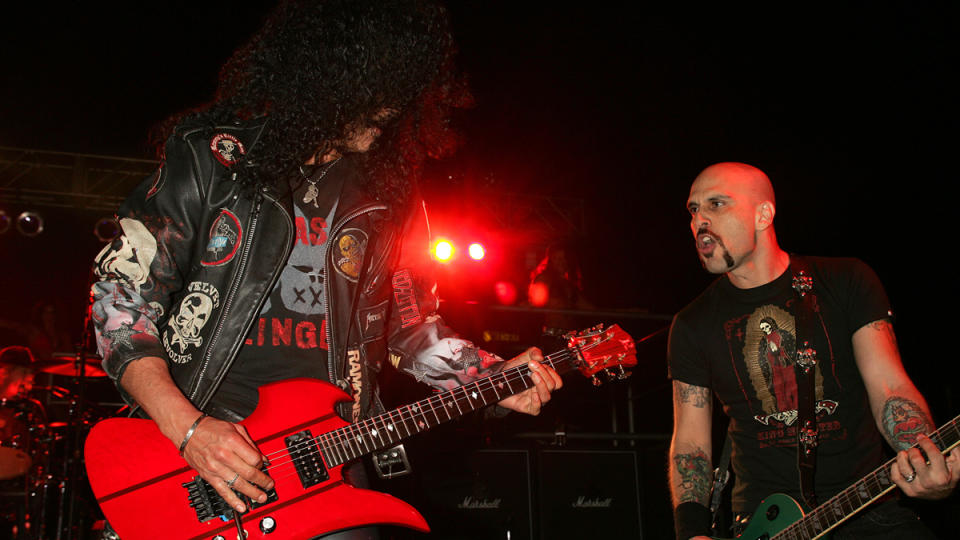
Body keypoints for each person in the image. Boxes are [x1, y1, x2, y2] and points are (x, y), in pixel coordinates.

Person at [88, 1, 562, 537]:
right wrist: (187, 427)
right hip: (200, 445)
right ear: (330, 79)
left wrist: (489, 377)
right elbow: (121, 297)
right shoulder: (214, 159)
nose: (388, 116)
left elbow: (410, 327)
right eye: (376, 95)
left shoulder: (389, 195)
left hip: (327, 464)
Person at [667, 162, 958, 539]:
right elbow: (690, 443)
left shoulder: (845, 280)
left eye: (716, 204)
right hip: (763, 525)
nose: (700, 220)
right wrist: (692, 533)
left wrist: (924, 458)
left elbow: (889, 387)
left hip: (865, 508)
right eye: (693, 210)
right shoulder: (693, 323)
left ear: (763, 214)